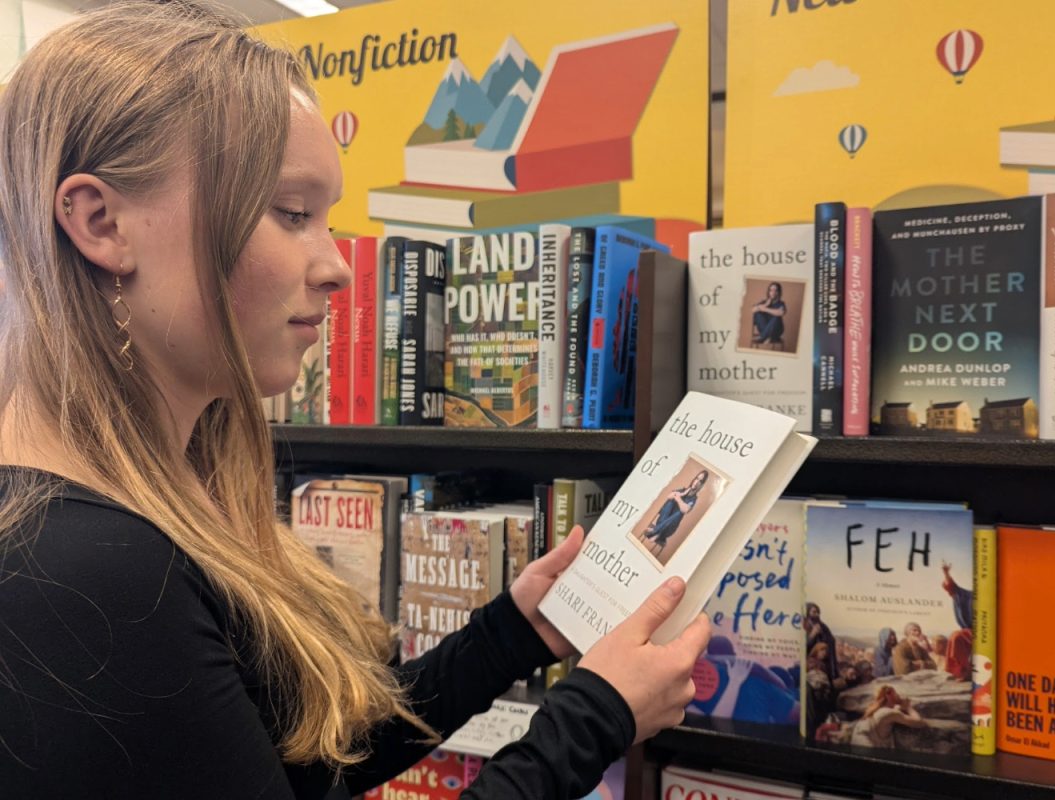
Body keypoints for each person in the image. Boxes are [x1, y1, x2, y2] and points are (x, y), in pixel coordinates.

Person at [0, 3, 710, 797]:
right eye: (292, 215)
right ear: (102, 222)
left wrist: (509, 635)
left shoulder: (147, 515)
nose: (338, 267)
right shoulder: (93, 578)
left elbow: (301, 761)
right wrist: (594, 719)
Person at [639, 469, 708, 557]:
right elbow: (669, 496)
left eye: (700, 481)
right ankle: (658, 533)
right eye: (697, 478)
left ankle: (656, 531)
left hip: (669, 528)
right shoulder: (682, 490)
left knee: (680, 511)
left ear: (701, 485)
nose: (697, 482)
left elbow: (685, 510)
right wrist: (682, 494)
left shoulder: (693, 499)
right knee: (670, 501)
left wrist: (678, 497)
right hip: (661, 521)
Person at [856, 684, 926, 749]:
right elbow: (919, 723)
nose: (899, 695)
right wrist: (908, 707)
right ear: (889, 695)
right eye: (896, 693)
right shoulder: (889, 713)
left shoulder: (878, 709)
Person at [750, 281, 787, 347]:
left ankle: (763, 337)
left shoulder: (781, 303)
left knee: (776, 317)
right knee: (758, 313)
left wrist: (764, 309)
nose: (773, 292)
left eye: (775, 290)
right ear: (769, 292)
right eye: (771, 290)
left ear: (778, 292)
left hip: (776, 330)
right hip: (764, 328)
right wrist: (766, 304)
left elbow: (781, 313)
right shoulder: (764, 302)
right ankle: (769, 337)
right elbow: (753, 310)